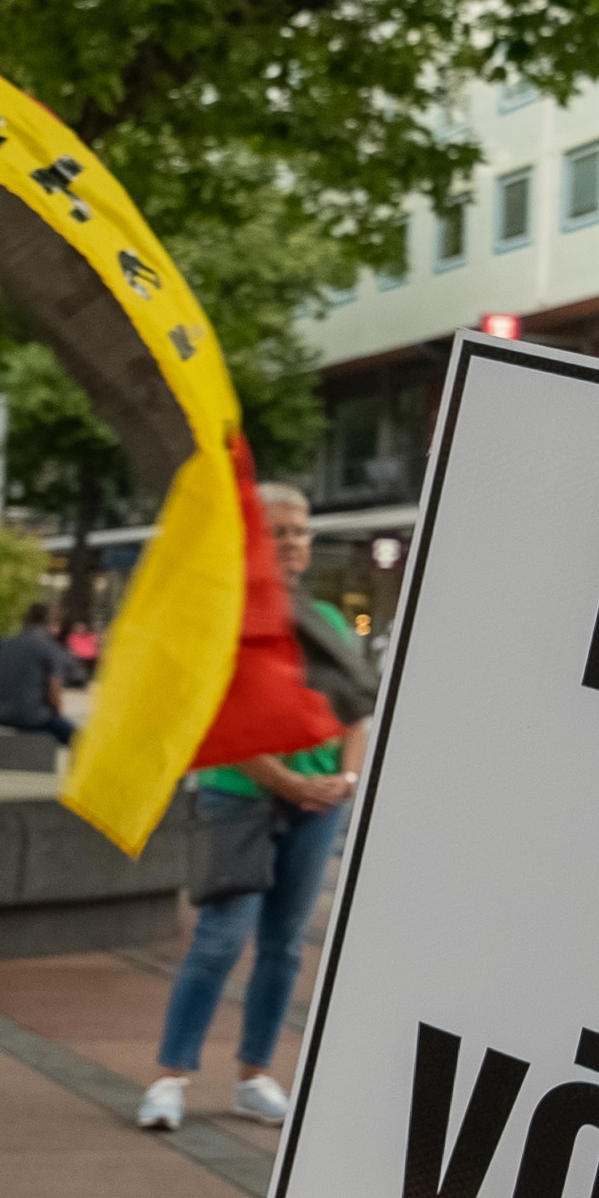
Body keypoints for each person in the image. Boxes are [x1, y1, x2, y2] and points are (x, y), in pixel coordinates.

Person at [140, 484, 373, 1131]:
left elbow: (356, 710)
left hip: (320, 803)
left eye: (302, 531)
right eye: (279, 532)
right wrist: (287, 783)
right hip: (240, 797)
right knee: (219, 938)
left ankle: (254, 1075)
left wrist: (345, 779)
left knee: (285, 945)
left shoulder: (326, 621)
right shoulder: (226, 617)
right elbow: (213, 720)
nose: (294, 543)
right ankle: (170, 1077)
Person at [0, 601, 81, 744]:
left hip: (3, 715)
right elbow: (54, 688)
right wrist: (58, 717)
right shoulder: (49, 647)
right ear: (50, 623)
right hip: (35, 718)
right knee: (82, 742)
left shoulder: (5, 644)